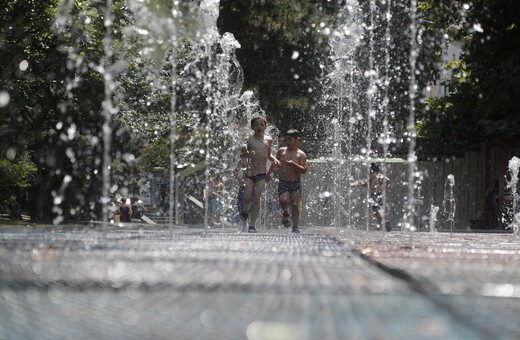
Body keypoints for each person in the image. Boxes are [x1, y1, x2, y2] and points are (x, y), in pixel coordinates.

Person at [240, 114, 281, 233]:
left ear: (265, 126)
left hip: (262, 174)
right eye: (256, 125)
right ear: (252, 127)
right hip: (250, 174)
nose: (259, 126)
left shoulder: (268, 140)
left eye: (261, 124)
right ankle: (246, 211)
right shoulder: (249, 139)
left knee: (256, 200)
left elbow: (268, 155)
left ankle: (252, 225)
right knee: (247, 198)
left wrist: (275, 160)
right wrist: (248, 154)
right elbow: (241, 155)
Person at [267, 129, 307, 233]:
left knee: (295, 204)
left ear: (297, 140)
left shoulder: (301, 154)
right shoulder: (282, 151)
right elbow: (275, 163)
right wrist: (268, 173)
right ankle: (285, 212)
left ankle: (295, 226)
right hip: (284, 182)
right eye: (286, 140)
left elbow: (304, 170)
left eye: (290, 139)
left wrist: (294, 164)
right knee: (283, 200)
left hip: (296, 183)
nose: (287, 142)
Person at [360, 163, 391, 231]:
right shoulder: (382, 176)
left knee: (376, 212)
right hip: (381, 195)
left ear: (372, 170)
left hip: (375, 195)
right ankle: (381, 224)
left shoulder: (373, 176)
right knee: (379, 210)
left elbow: (367, 184)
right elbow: (388, 181)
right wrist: (386, 189)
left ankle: (384, 223)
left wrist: (362, 183)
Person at [232, 146, 248, 230]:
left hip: (250, 186)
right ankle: (243, 223)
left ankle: (244, 222)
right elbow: (235, 172)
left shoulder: (252, 160)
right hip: (243, 186)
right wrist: (239, 179)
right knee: (241, 204)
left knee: (248, 205)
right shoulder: (241, 161)